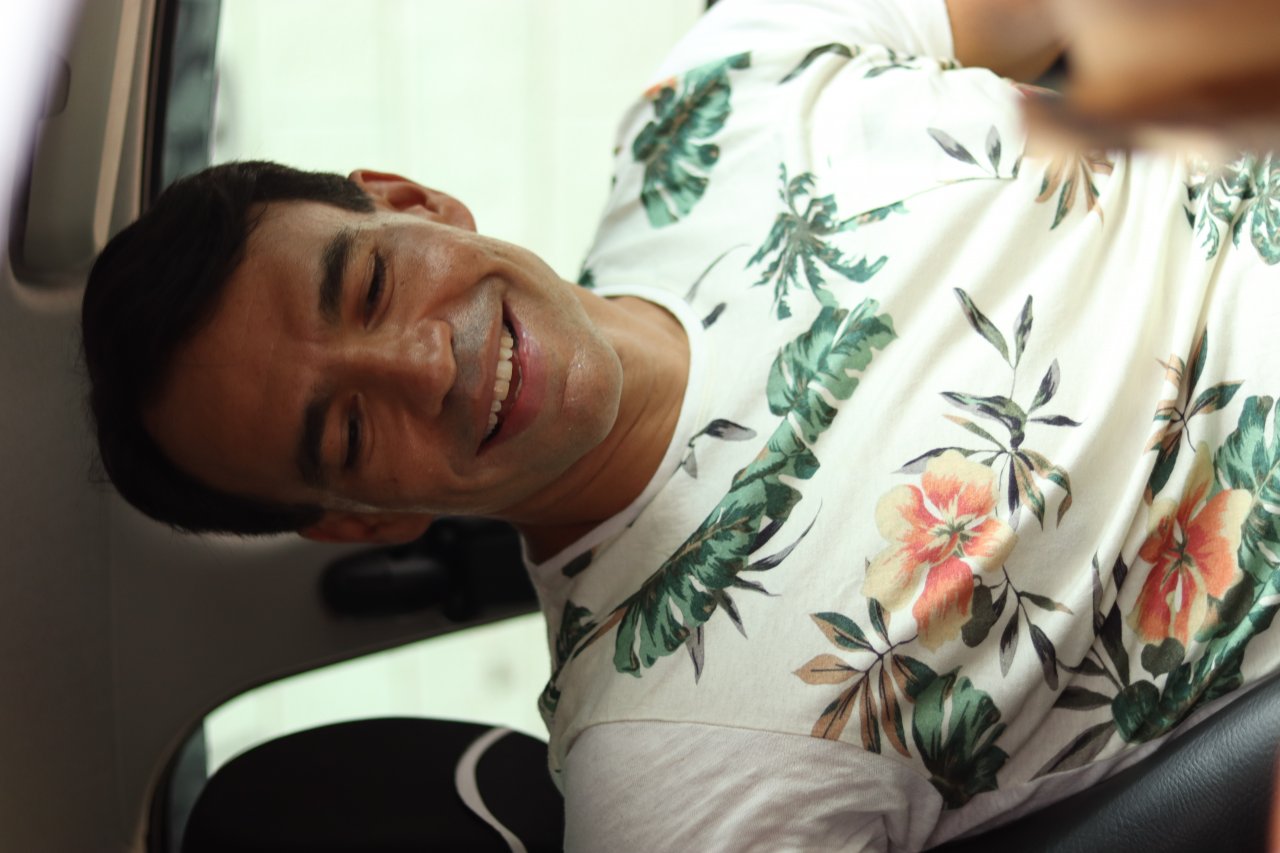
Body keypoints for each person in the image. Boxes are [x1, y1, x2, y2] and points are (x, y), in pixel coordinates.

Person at [81, 0, 1280, 849]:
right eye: (345, 431)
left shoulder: (723, 88)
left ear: (412, 203)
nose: (424, 363)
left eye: (370, 285)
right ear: (363, 520)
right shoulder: (672, 776)